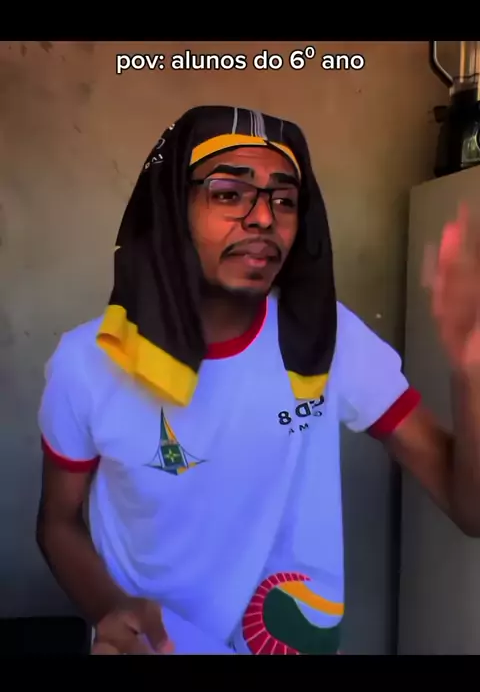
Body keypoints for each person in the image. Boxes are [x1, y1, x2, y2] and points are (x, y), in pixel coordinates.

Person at [36, 106, 480, 655]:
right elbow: (57, 522)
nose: (264, 218)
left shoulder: (327, 337)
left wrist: (471, 370)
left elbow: (471, 510)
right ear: (171, 209)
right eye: (229, 193)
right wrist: (113, 609)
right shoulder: (89, 362)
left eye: (285, 199)